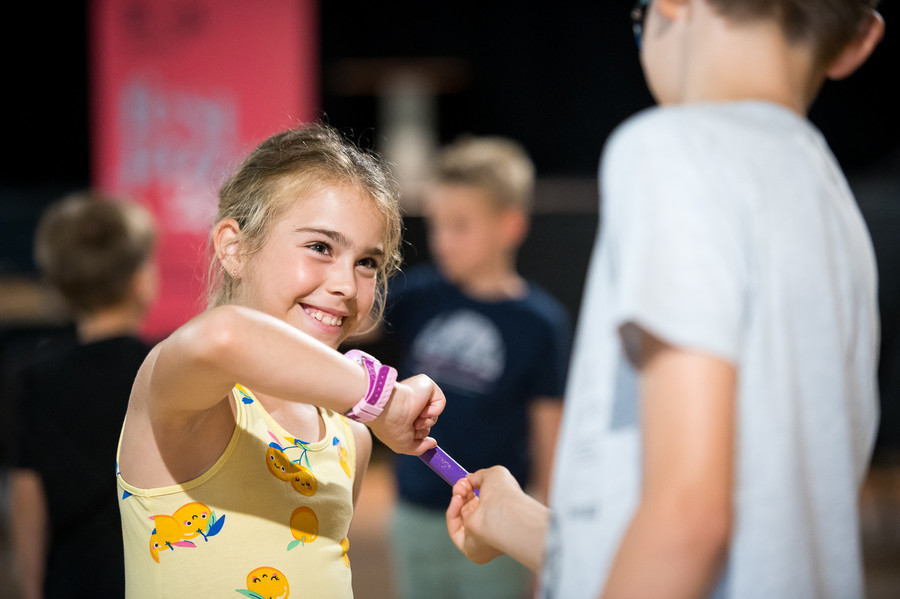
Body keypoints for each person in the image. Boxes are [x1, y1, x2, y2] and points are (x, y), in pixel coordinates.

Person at [445, 1, 885, 598]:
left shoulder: (671, 151)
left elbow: (689, 519)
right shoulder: (835, 208)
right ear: (859, 39)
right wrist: (514, 519)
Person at [115, 122, 445, 598]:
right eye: (319, 247)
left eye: (367, 263)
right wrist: (382, 400)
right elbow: (225, 336)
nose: (347, 286)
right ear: (234, 247)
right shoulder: (188, 393)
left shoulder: (350, 435)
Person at [381, 136, 572, 599]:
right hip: (414, 510)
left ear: (509, 226)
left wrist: (542, 521)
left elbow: (549, 432)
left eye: (460, 226)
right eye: (438, 225)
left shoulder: (540, 323)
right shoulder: (417, 294)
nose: (442, 241)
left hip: (495, 518)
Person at [8, 192, 158, 599]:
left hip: (71, 580)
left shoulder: (37, 375)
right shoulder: (161, 369)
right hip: (154, 575)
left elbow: (28, 496)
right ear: (140, 279)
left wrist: (33, 589)